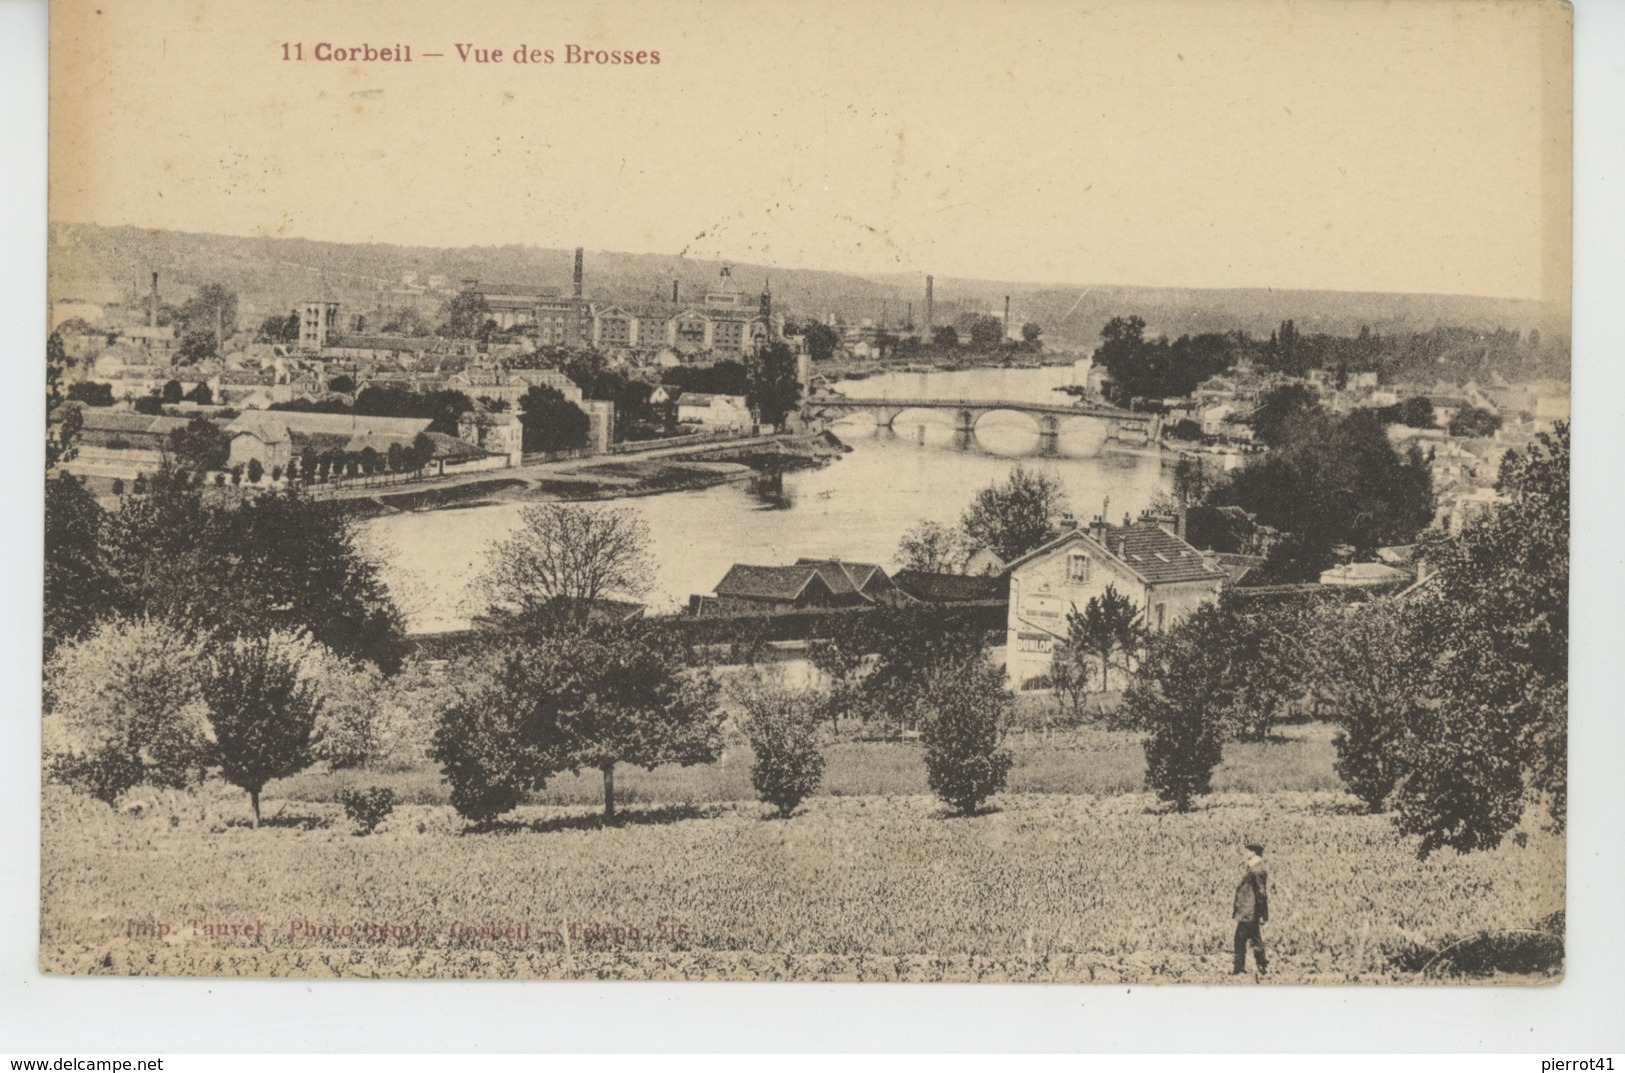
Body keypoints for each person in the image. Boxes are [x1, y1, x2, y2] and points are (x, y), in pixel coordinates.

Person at [1232, 840, 1269, 976]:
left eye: (1247, 850)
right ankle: (1262, 966)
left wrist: (1262, 914)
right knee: (1254, 938)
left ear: (1253, 852)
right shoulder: (1254, 868)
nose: (1245, 853)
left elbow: (1261, 893)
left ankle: (1240, 969)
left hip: (1249, 911)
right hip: (1250, 911)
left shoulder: (1256, 870)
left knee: (1240, 938)